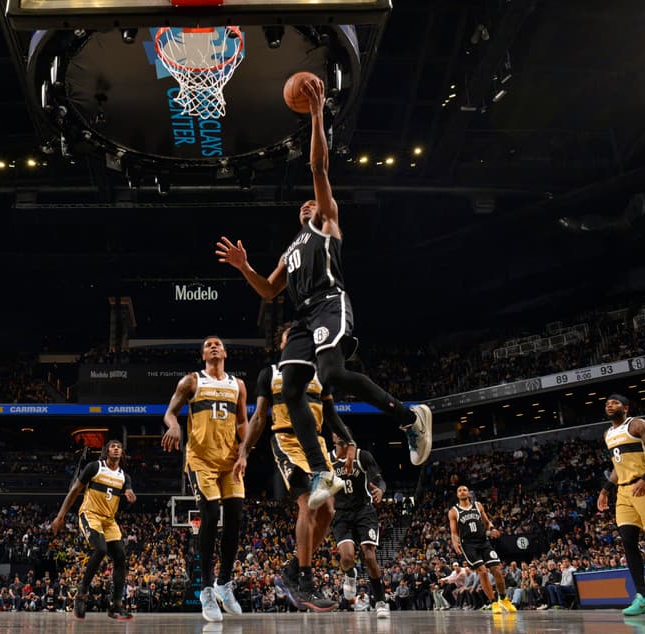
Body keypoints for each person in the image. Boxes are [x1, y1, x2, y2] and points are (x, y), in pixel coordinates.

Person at [215, 77, 431, 510]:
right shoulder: (292, 247)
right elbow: (269, 290)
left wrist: (316, 116)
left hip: (331, 302)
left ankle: (409, 418)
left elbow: (318, 169)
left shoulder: (327, 223)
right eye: (305, 204)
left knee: (330, 374)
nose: (307, 204)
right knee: (289, 387)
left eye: (313, 202)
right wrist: (245, 268)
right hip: (302, 318)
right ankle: (321, 472)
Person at [235, 323, 350, 611]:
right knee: (308, 506)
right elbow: (260, 417)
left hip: (317, 445)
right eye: (293, 337)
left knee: (328, 510)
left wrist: (349, 440)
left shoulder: (319, 373)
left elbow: (331, 414)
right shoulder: (270, 373)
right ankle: (306, 582)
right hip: (286, 440)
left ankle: (291, 572)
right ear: (283, 344)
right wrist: (244, 451)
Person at [162, 336, 247, 622]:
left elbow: (243, 422)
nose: (213, 346)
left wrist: (244, 452)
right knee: (210, 516)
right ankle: (207, 590)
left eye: (218, 343)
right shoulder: (192, 381)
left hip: (229, 461)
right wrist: (174, 427)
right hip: (200, 460)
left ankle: (224, 583)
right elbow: (170, 413)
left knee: (235, 517)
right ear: (203, 355)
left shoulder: (238, 385)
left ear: (224, 352)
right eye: (208, 344)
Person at [597, 393, 645, 616]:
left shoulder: (637, 425)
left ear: (626, 408)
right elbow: (618, 469)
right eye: (607, 403)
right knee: (628, 541)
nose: (610, 405)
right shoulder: (608, 434)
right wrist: (604, 490)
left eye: (615, 403)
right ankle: (643, 598)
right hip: (624, 492)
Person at [51, 439, 136, 621]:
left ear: (122, 453)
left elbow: (128, 494)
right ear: (106, 451)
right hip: (90, 514)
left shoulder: (124, 477)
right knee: (101, 549)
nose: (116, 448)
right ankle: (81, 594)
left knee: (120, 557)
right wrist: (60, 516)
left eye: (119, 447)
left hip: (109, 520)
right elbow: (74, 490)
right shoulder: (94, 467)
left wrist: (130, 496)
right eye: (112, 446)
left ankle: (115, 606)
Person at [327, 431, 391, 618]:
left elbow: (378, 478)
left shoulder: (362, 456)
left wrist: (381, 489)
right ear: (332, 438)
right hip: (341, 513)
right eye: (335, 432)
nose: (339, 434)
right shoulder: (328, 459)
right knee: (346, 558)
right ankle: (350, 573)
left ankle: (380, 601)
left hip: (364, 511)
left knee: (369, 556)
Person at [448, 485, 516, 614]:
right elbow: (454, 532)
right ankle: (493, 602)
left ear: (468, 493)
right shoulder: (453, 511)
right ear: (457, 495)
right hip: (468, 545)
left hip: (484, 542)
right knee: (482, 571)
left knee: (496, 569)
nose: (462, 492)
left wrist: (492, 529)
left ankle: (504, 599)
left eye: (464, 490)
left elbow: (487, 522)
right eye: (459, 490)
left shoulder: (478, 506)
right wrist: (455, 542)